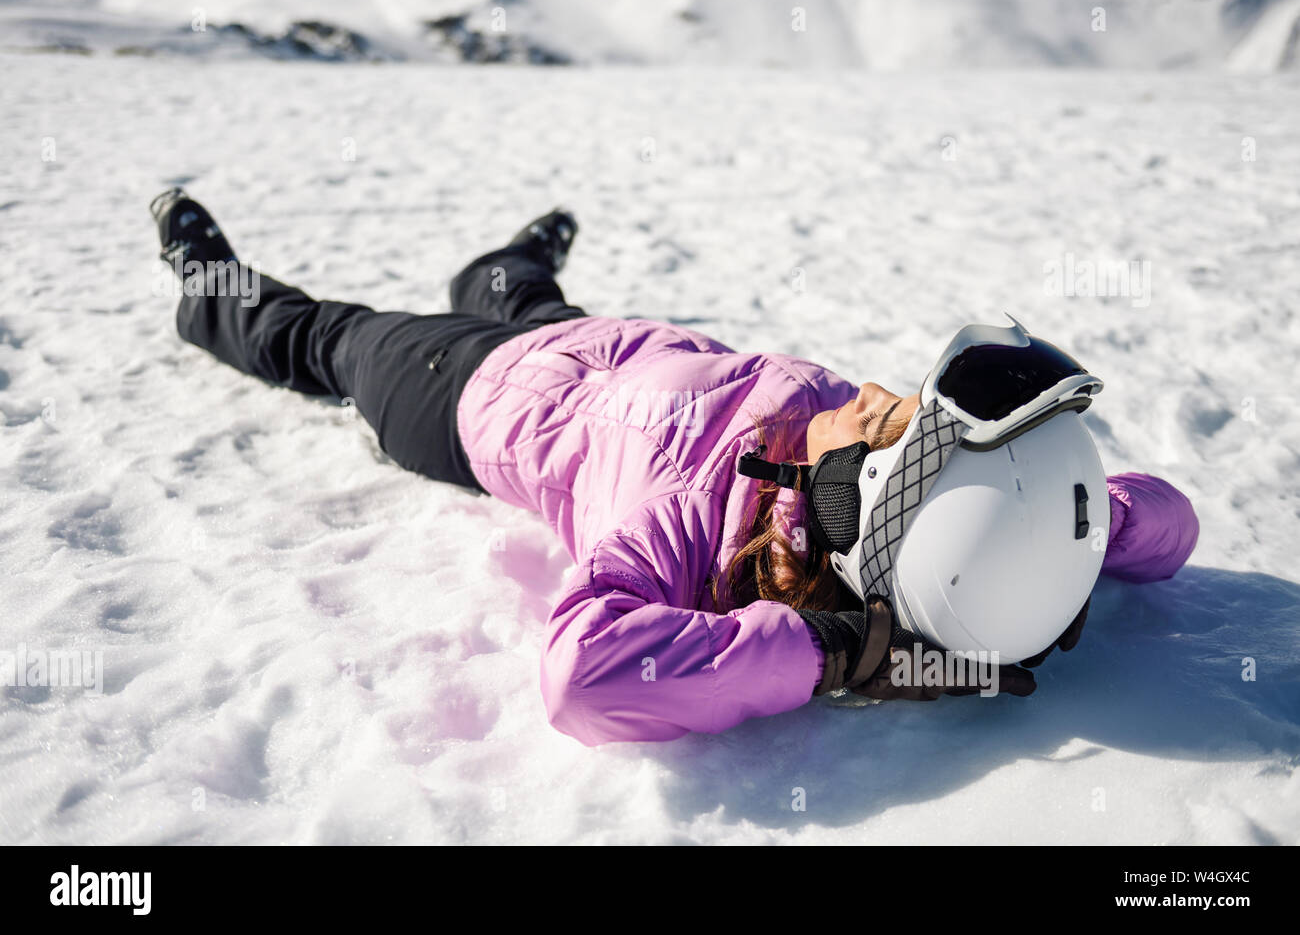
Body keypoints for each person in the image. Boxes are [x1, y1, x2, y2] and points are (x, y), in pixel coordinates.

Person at [151, 189, 1199, 746]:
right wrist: (1088, 537)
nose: (891, 399)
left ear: (868, 502)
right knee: (517, 289)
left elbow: (587, 676)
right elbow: (1153, 520)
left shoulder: (692, 522)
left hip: (461, 393)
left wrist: (832, 650)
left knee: (325, 335)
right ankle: (509, 262)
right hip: (613, 341)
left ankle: (205, 275)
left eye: (897, 432)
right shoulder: (983, 522)